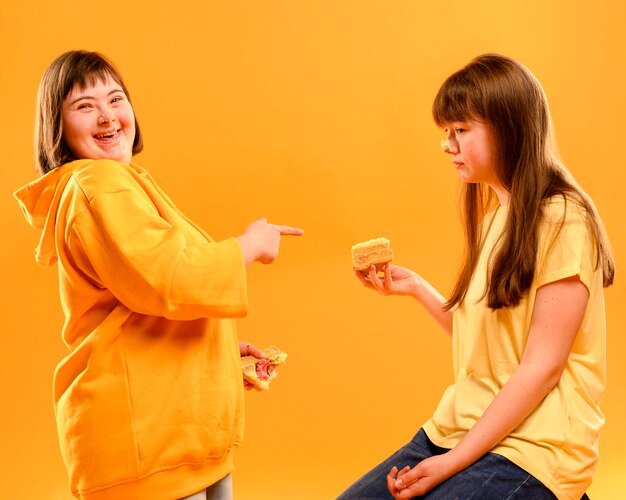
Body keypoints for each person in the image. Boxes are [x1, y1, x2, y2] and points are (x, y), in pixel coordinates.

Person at [14, 50, 303, 500]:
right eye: (85, 106)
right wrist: (250, 244)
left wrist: (219, 349)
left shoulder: (121, 183)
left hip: (177, 438)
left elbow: (145, 299)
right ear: (58, 126)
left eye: (115, 99)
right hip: (151, 445)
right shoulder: (100, 185)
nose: (107, 116)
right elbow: (170, 278)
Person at [338, 54, 614, 500]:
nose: (447, 146)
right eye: (446, 133)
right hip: (461, 426)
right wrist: (416, 289)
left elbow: (541, 368)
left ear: (509, 128)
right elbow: (486, 345)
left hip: (537, 447)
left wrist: (453, 462)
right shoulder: (496, 219)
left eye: (460, 131)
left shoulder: (565, 220)